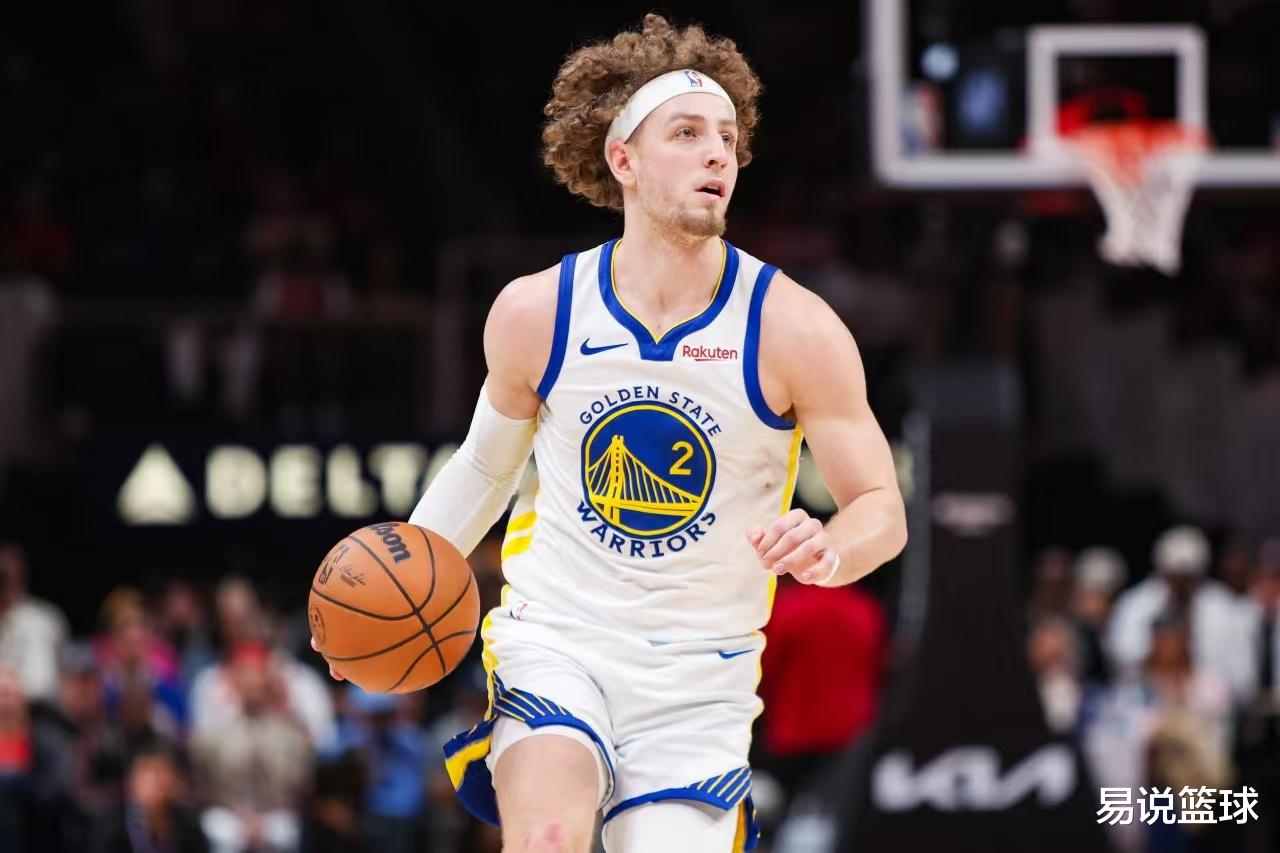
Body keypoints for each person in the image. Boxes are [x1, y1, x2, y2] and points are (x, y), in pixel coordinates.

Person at [314, 14, 906, 852]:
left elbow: (882, 507)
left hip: (700, 677)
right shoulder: (539, 311)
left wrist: (832, 548)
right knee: (550, 834)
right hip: (560, 639)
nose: (717, 154)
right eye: (687, 132)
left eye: (728, 137)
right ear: (623, 160)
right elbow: (484, 469)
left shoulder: (794, 328)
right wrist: (389, 601)